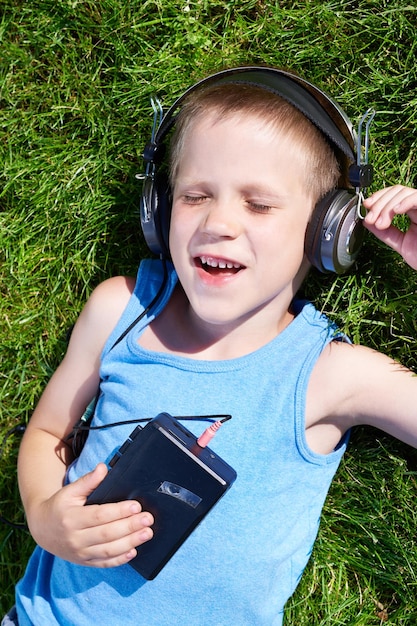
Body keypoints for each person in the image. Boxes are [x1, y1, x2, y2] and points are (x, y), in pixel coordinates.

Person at [5, 66, 417, 625]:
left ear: (329, 231)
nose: (218, 222)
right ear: (158, 208)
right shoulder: (120, 311)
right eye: (195, 195)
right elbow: (49, 432)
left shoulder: (330, 374)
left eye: (259, 204)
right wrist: (42, 516)